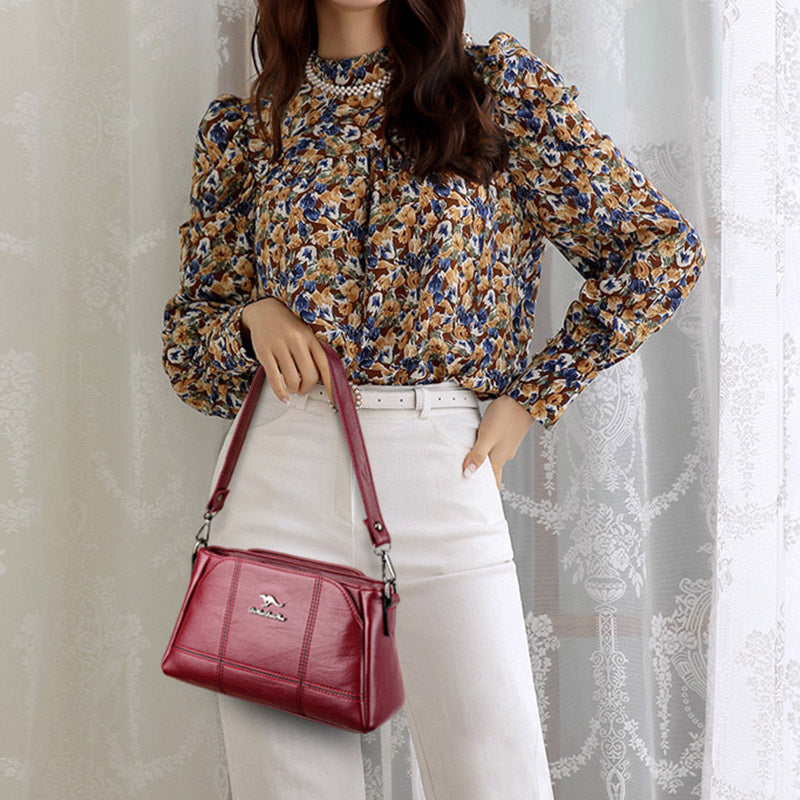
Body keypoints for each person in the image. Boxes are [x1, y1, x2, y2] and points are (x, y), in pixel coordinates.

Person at [160, 1, 706, 797]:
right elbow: (189, 356)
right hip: (277, 476)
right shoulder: (248, 129)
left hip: (438, 464)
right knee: (287, 784)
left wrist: (533, 395)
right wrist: (250, 320)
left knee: (494, 774)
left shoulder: (493, 92)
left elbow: (657, 249)